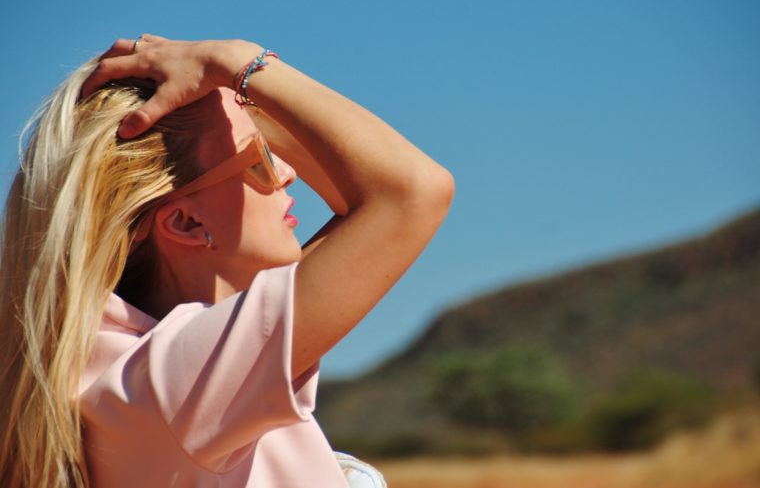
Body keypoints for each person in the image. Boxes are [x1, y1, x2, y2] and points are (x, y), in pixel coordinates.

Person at [0, 35, 454, 487]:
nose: (288, 173)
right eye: (259, 160)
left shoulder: (136, 371)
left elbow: (362, 203)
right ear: (185, 223)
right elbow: (409, 193)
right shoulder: (171, 382)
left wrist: (234, 108)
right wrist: (237, 61)